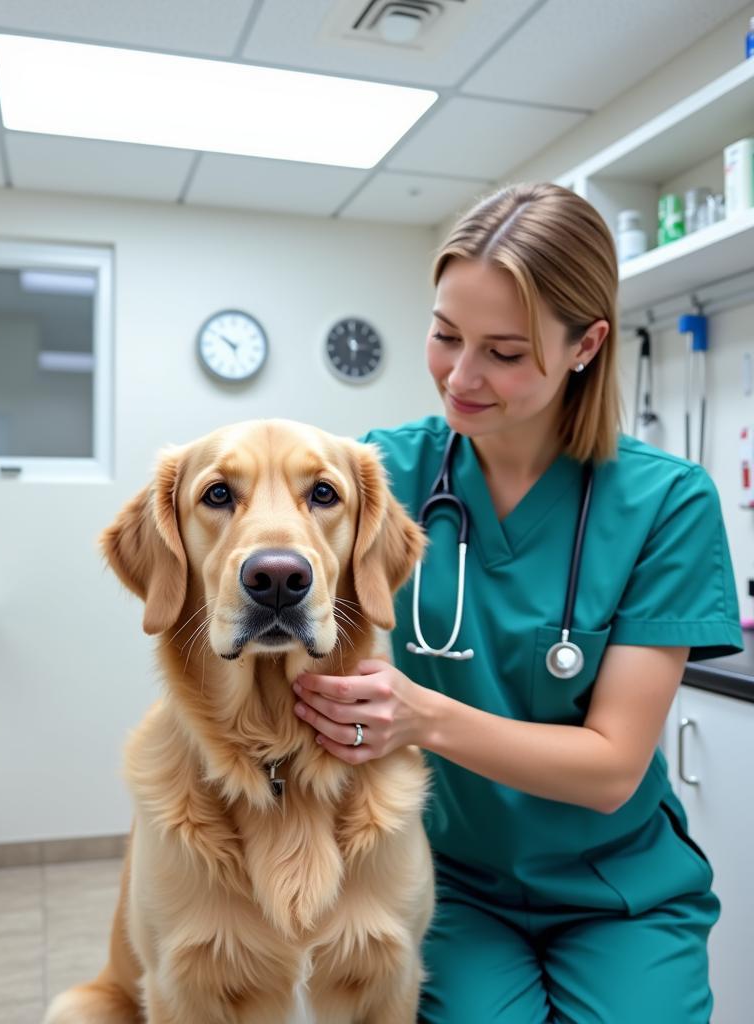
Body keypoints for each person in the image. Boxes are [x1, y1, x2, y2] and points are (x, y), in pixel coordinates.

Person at [292, 182, 742, 1023]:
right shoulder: (379, 474)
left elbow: (611, 769)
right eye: (445, 335)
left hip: (620, 888)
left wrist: (420, 717)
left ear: (587, 345)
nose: (461, 377)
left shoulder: (666, 503)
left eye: (504, 352)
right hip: (449, 878)